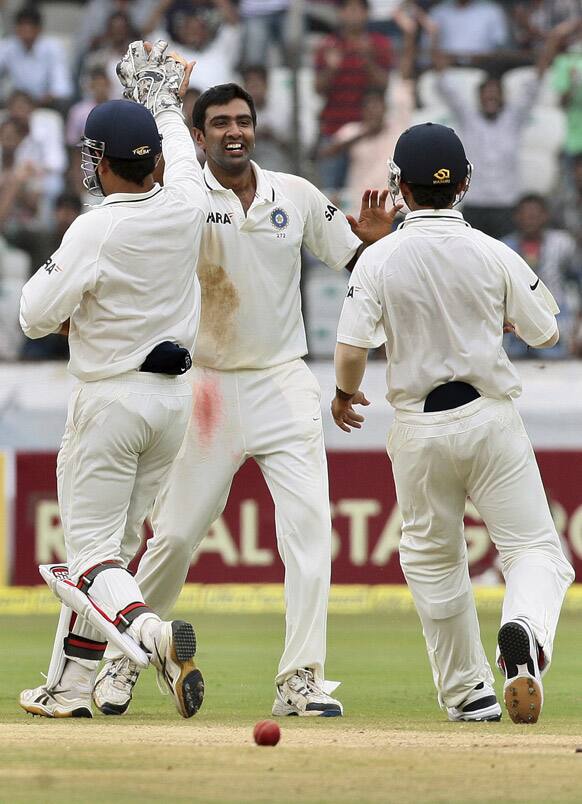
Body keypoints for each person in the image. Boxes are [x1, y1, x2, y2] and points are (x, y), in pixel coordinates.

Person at [92, 80, 398, 718]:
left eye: (244, 121)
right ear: (197, 136)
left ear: (255, 129)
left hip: (283, 379)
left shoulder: (296, 194)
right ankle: (120, 661)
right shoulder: (179, 200)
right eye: (221, 122)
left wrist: (372, 239)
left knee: (312, 532)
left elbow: (354, 263)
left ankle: (301, 681)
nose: (236, 131)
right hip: (204, 387)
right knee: (174, 537)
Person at [331, 122, 574, 724]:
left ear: (399, 187)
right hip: (490, 418)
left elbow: (352, 346)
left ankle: (470, 694)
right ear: (464, 183)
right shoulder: (494, 251)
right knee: (537, 551)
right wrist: (506, 319)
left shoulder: (380, 257)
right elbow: (548, 330)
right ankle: (523, 634)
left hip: (418, 427)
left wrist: (344, 394)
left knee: (435, 560)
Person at [18, 43, 207, 720]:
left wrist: (75, 297)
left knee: (94, 560)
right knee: (114, 557)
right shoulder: (188, 200)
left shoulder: (93, 230)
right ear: (152, 159)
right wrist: (164, 102)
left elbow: (33, 315)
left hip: (110, 400)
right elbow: (183, 149)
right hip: (171, 407)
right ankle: (68, 688)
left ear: (99, 162)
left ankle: (152, 636)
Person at [314, 0, 392, 192]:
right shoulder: (328, 45)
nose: (353, 14)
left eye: (358, 9)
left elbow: (384, 85)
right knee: (328, 199)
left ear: (367, 13)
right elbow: (318, 88)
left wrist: (367, 60)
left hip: (369, 134)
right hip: (334, 130)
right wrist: (332, 69)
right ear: (340, 13)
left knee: (367, 195)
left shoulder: (379, 44)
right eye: (348, 9)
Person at [502, 193, 580, 359]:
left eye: (535, 215)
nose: (530, 220)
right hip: (515, 327)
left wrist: (578, 328)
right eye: (525, 215)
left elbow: (578, 280)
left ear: (545, 216)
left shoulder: (562, 244)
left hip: (556, 323)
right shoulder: (504, 247)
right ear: (517, 217)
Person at [0, 6, 73, 107]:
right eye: (22, 26)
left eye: (30, 26)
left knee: (63, 103)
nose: (26, 31)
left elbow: (62, 87)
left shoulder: (53, 48)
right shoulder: (6, 47)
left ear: (39, 28)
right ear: (16, 28)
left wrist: (46, 98)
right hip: (16, 103)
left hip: (45, 102)